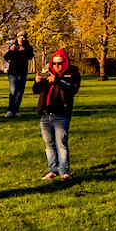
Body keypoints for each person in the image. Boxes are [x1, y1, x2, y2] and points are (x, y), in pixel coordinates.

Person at [32, 48, 82, 180]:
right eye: (54, 63)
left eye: (59, 63)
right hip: (45, 113)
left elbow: (73, 90)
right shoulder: (47, 73)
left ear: (65, 62)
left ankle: (64, 171)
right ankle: (52, 169)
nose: (56, 66)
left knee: (61, 144)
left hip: (61, 114)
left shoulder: (72, 74)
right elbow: (36, 91)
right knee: (49, 144)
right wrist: (37, 82)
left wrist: (57, 81)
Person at [3, 31, 35, 117]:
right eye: (21, 38)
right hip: (13, 73)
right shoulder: (13, 46)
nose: (22, 40)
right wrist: (11, 50)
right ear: (17, 38)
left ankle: (16, 111)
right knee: (13, 91)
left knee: (20, 93)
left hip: (23, 73)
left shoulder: (28, 48)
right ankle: (10, 110)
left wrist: (24, 51)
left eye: (24, 38)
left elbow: (30, 56)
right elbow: (6, 57)